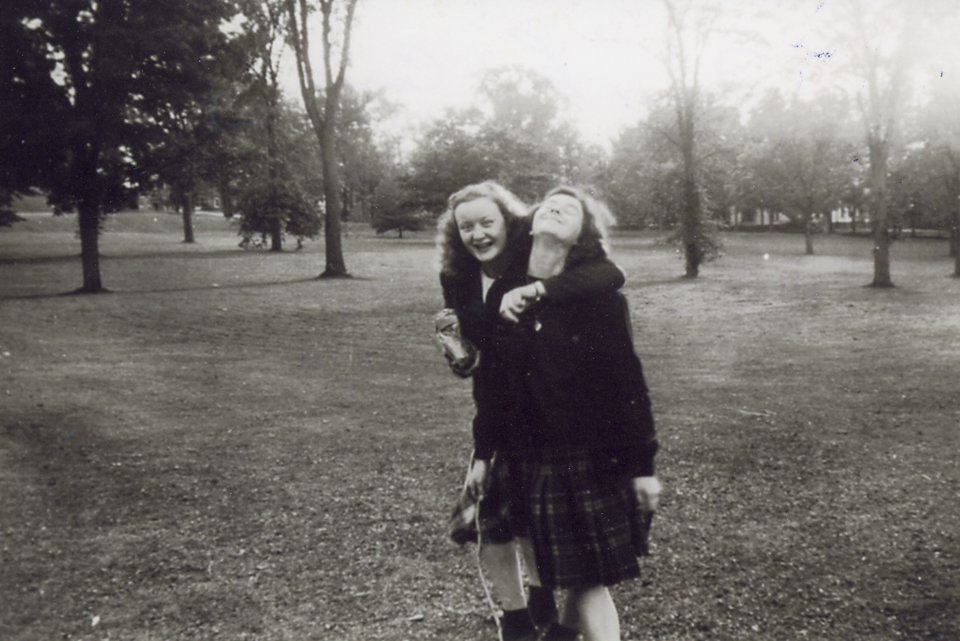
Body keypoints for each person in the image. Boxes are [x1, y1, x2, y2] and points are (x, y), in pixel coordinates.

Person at [436, 182, 627, 641]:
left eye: (487, 222)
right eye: (466, 227)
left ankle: (550, 608)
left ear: (508, 221)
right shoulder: (456, 276)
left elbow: (610, 275)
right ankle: (517, 620)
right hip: (499, 403)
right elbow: (481, 355)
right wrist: (461, 355)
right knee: (494, 517)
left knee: (558, 528)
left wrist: (538, 289)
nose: (478, 234)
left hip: (556, 407)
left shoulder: (536, 252)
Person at [478, 186, 662, 641]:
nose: (557, 206)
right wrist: (484, 454)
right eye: (550, 203)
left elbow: (628, 384)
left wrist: (643, 466)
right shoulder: (504, 292)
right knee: (512, 540)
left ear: (582, 236)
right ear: (532, 223)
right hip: (522, 451)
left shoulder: (599, 298)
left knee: (590, 575)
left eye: (571, 209)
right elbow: (492, 386)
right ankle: (549, 628)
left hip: (583, 454)